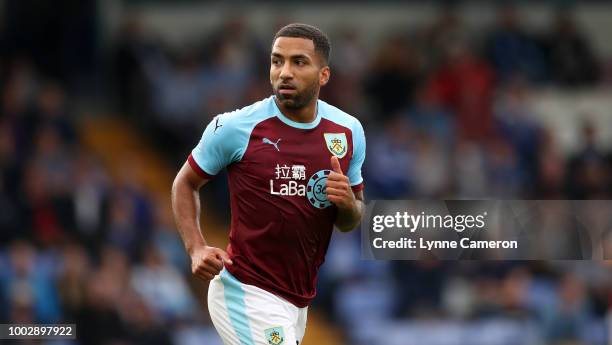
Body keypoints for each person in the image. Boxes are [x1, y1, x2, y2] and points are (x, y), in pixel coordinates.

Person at [171, 23, 366, 345]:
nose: (284, 72)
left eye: (298, 62)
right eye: (277, 61)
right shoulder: (236, 127)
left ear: (324, 75)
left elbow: (352, 219)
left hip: (297, 299)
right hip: (246, 290)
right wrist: (196, 247)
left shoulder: (348, 131)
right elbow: (185, 183)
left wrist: (347, 204)